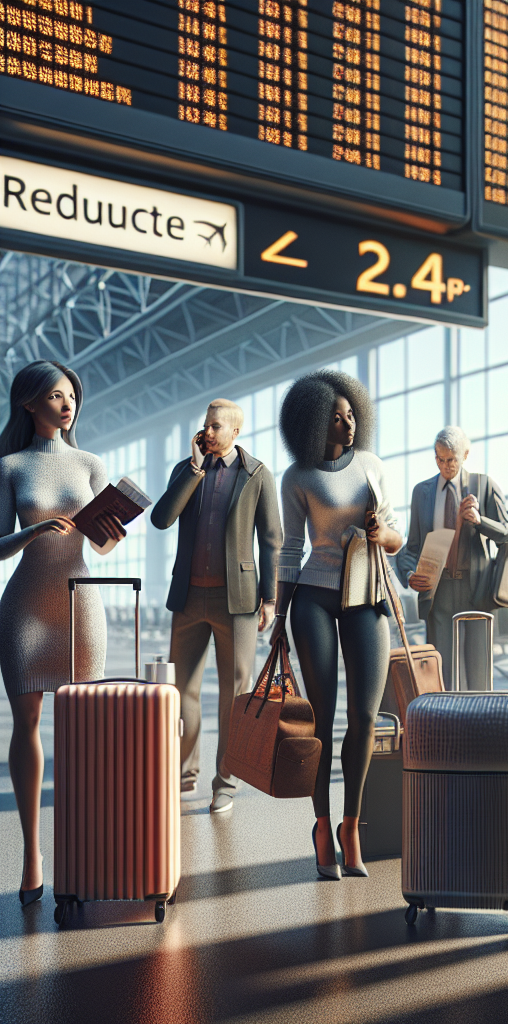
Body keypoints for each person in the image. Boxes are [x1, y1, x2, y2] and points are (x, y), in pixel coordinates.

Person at [0, 361, 126, 905]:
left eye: (72, 394)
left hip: (81, 601)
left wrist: (111, 536)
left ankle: (80, 848)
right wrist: (31, 530)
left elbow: (100, 546)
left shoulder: (90, 463)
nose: (68, 403)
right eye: (56, 395)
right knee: (26, 723)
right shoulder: (9, 466)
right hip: (26, 605)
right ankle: (32, 855)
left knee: (82, 729)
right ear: (30, 403)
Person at [268, 370, 403, 879]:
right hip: (314, 600)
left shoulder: (370, 465)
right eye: (335, 419)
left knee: (365, 718)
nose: (347, 426)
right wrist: (279, 614)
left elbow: (396, 541)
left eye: (350, 416)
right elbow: (291, 549)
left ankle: (352, 824)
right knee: (322, 721)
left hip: (367, 596)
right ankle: (321, 825)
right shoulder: (297, 477)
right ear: (310, 424)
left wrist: (381, 530)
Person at [151, 399, 282, 814]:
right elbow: (161, 519)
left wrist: (270, 598)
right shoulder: (186, 469)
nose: (207, 431)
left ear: (235, 432)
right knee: (180, 689)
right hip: (188, 597)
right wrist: (192, 470)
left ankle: (225, 782)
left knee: (235, 693)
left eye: (216, 426)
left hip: (238, 601)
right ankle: (183, 773)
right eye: (205, 424)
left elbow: (272, 540)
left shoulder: (257, 474)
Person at [396, 425, 508, 687]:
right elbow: (411, 546)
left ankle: (481, 722)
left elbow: (506, 534)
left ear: (465, 455)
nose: (445, 465)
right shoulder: (421, 492)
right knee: (442, 669)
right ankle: (447, 722)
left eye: (451, 459)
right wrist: (410, 574)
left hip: (477, 589)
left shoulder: (483, 485)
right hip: (439, 590)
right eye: (439, 458)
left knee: (478, 668)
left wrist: (480, 521)